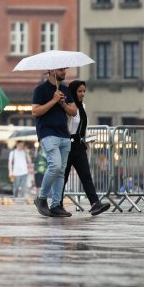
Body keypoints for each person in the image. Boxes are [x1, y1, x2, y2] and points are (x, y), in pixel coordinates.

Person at [32, 68, 77, 218]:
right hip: (47, 133)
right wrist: (53, 100)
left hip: (64, 133)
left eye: (65, 69)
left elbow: (73, 111)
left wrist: (63, 104)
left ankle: (56, 204)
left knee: (61, 171)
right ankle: (42, 198)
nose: (64, 72)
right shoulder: (40, 90)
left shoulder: (65, 89)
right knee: (55, 165)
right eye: (61, 69)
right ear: (51, 71)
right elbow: (35, 111)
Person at [62, 80, 111, 216]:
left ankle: (95, 203)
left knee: (86, 176)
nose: (83, 94)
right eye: (79, 91)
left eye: (84, 91)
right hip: (67, 144)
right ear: (73, 92)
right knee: (63, 176)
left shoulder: (82, 106)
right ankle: (57, 204)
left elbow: (84, 127)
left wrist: (89, 138)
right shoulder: (67, 108)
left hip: (80, 145)